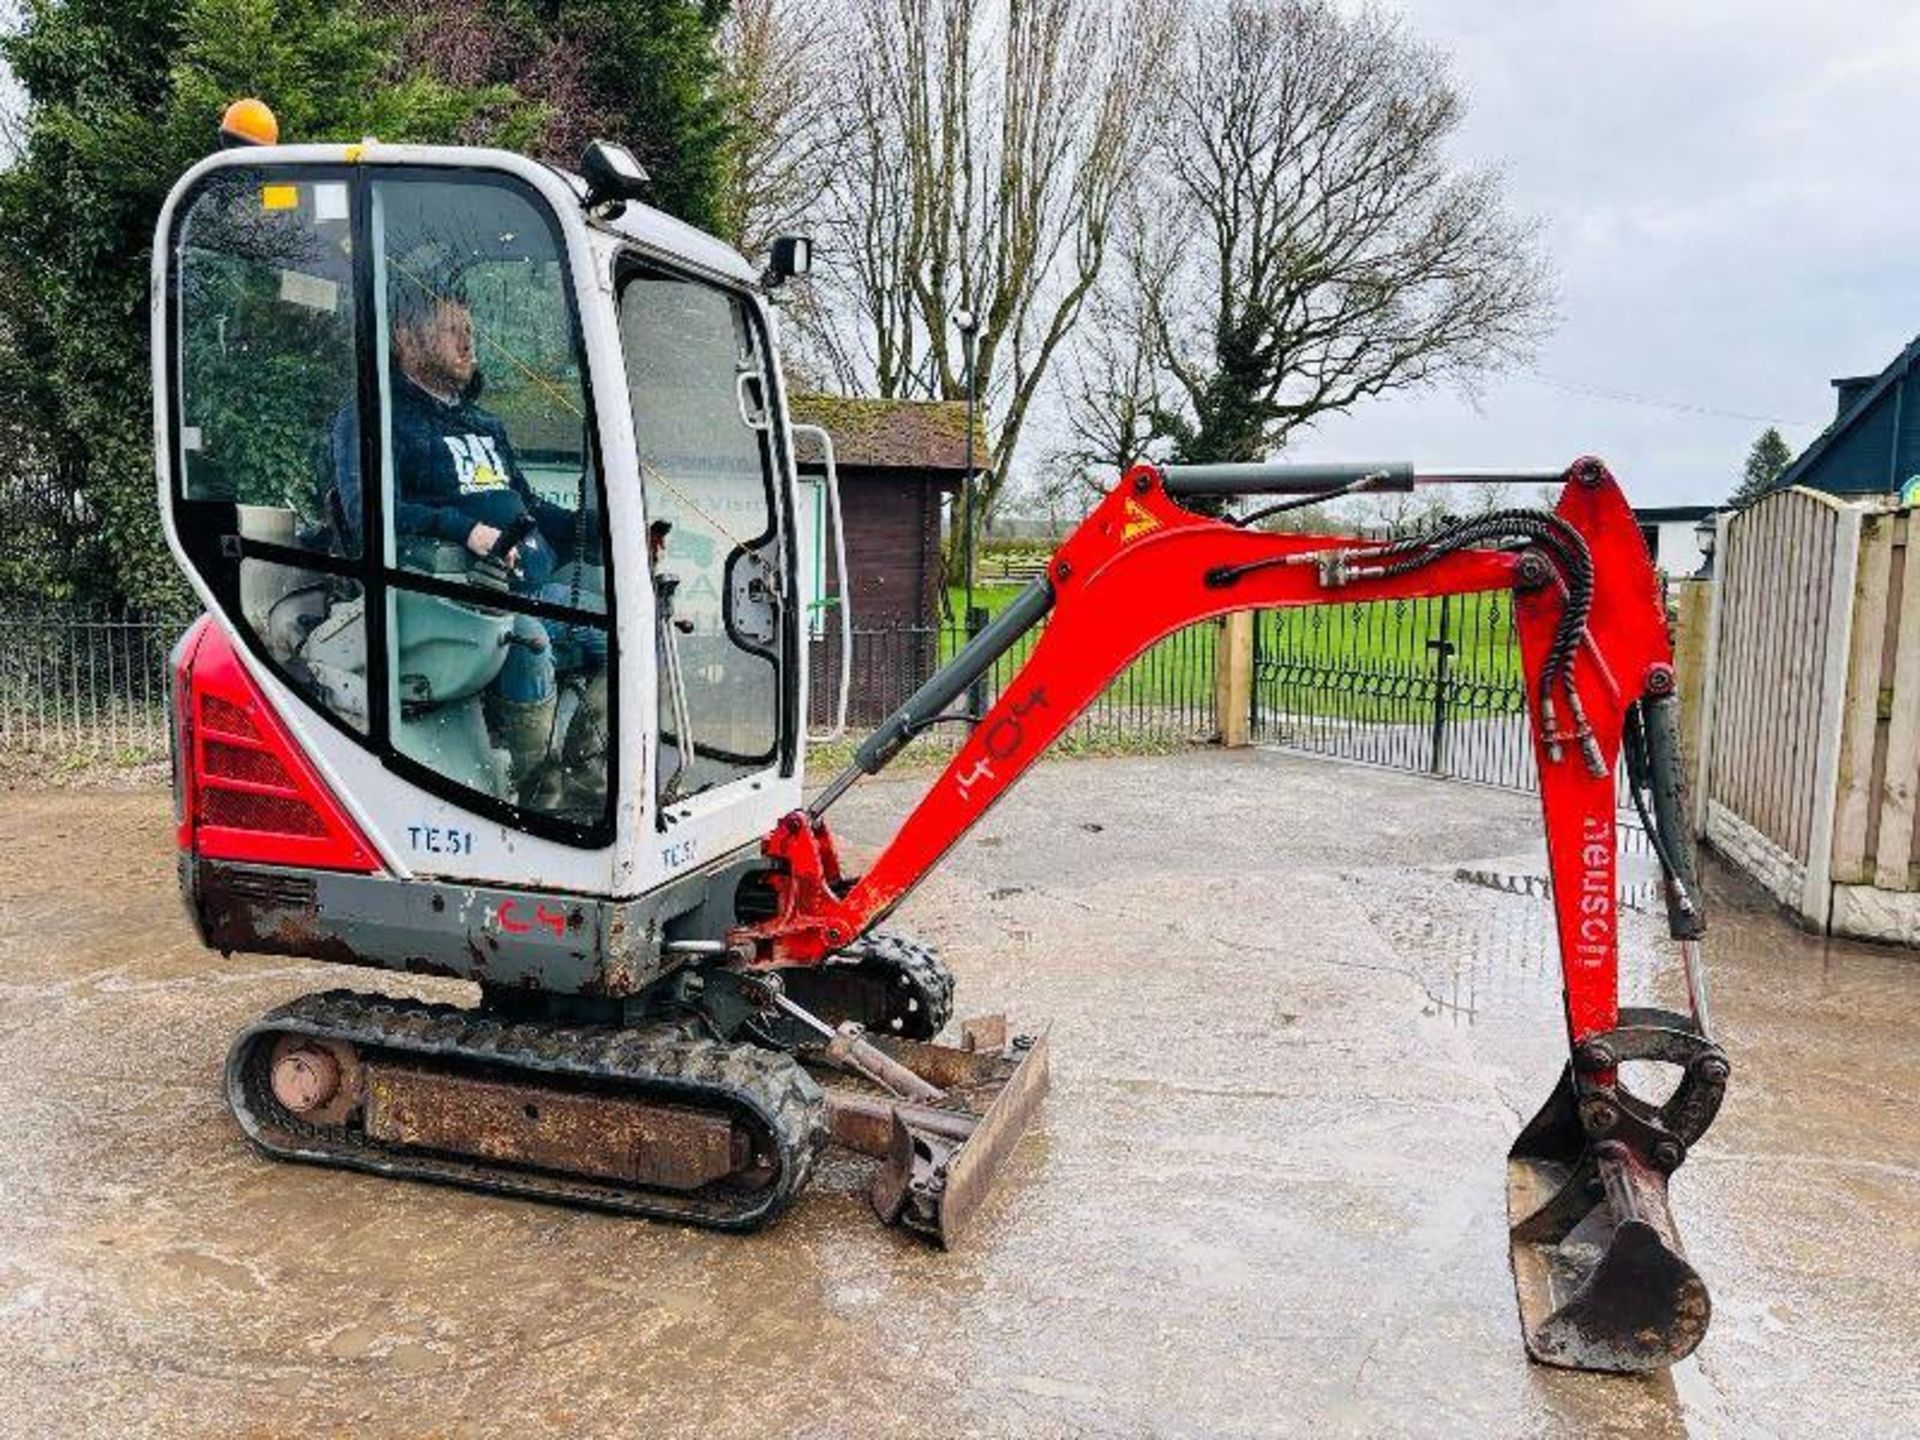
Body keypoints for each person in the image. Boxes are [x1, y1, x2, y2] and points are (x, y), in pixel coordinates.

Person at [346, 278, 605, 803]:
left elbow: (531, 512)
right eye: (451, 330)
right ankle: (539, 793)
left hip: (529, 591)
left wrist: (607, 536)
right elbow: (367, 513)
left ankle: (587, 784)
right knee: (529, 637)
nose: (468, 343)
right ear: (407, 338)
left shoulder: (486, 425)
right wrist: (466, 530)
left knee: (628, 628)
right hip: (450, 600)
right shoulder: (375, 417)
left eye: (470, 330)